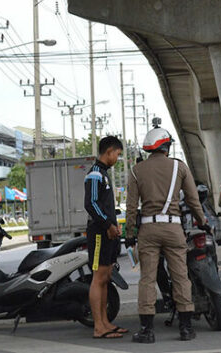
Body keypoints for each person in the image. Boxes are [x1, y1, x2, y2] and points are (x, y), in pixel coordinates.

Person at [125, 126, 209, 344]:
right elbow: (193, 199)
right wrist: (203, 221)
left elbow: (131, 207)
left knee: (147, 279)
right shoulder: (179, 168)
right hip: (173, 229)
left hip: (148, 230)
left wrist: (130, 234)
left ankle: (147, 330)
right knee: (181, 276)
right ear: (166, 146)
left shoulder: (137, 170)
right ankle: (186, 328)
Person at [84, 135, 126, 339]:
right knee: (98, 278)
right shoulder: (95, 174)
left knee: (106, 277)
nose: (117, 158)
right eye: (117, 154)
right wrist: (108, 224)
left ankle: (106, 323)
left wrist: (114, 224)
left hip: (109, 232)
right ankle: (98, 326)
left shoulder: (104, 174)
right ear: (109, 151)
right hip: (99, 233)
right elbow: (90, 204)